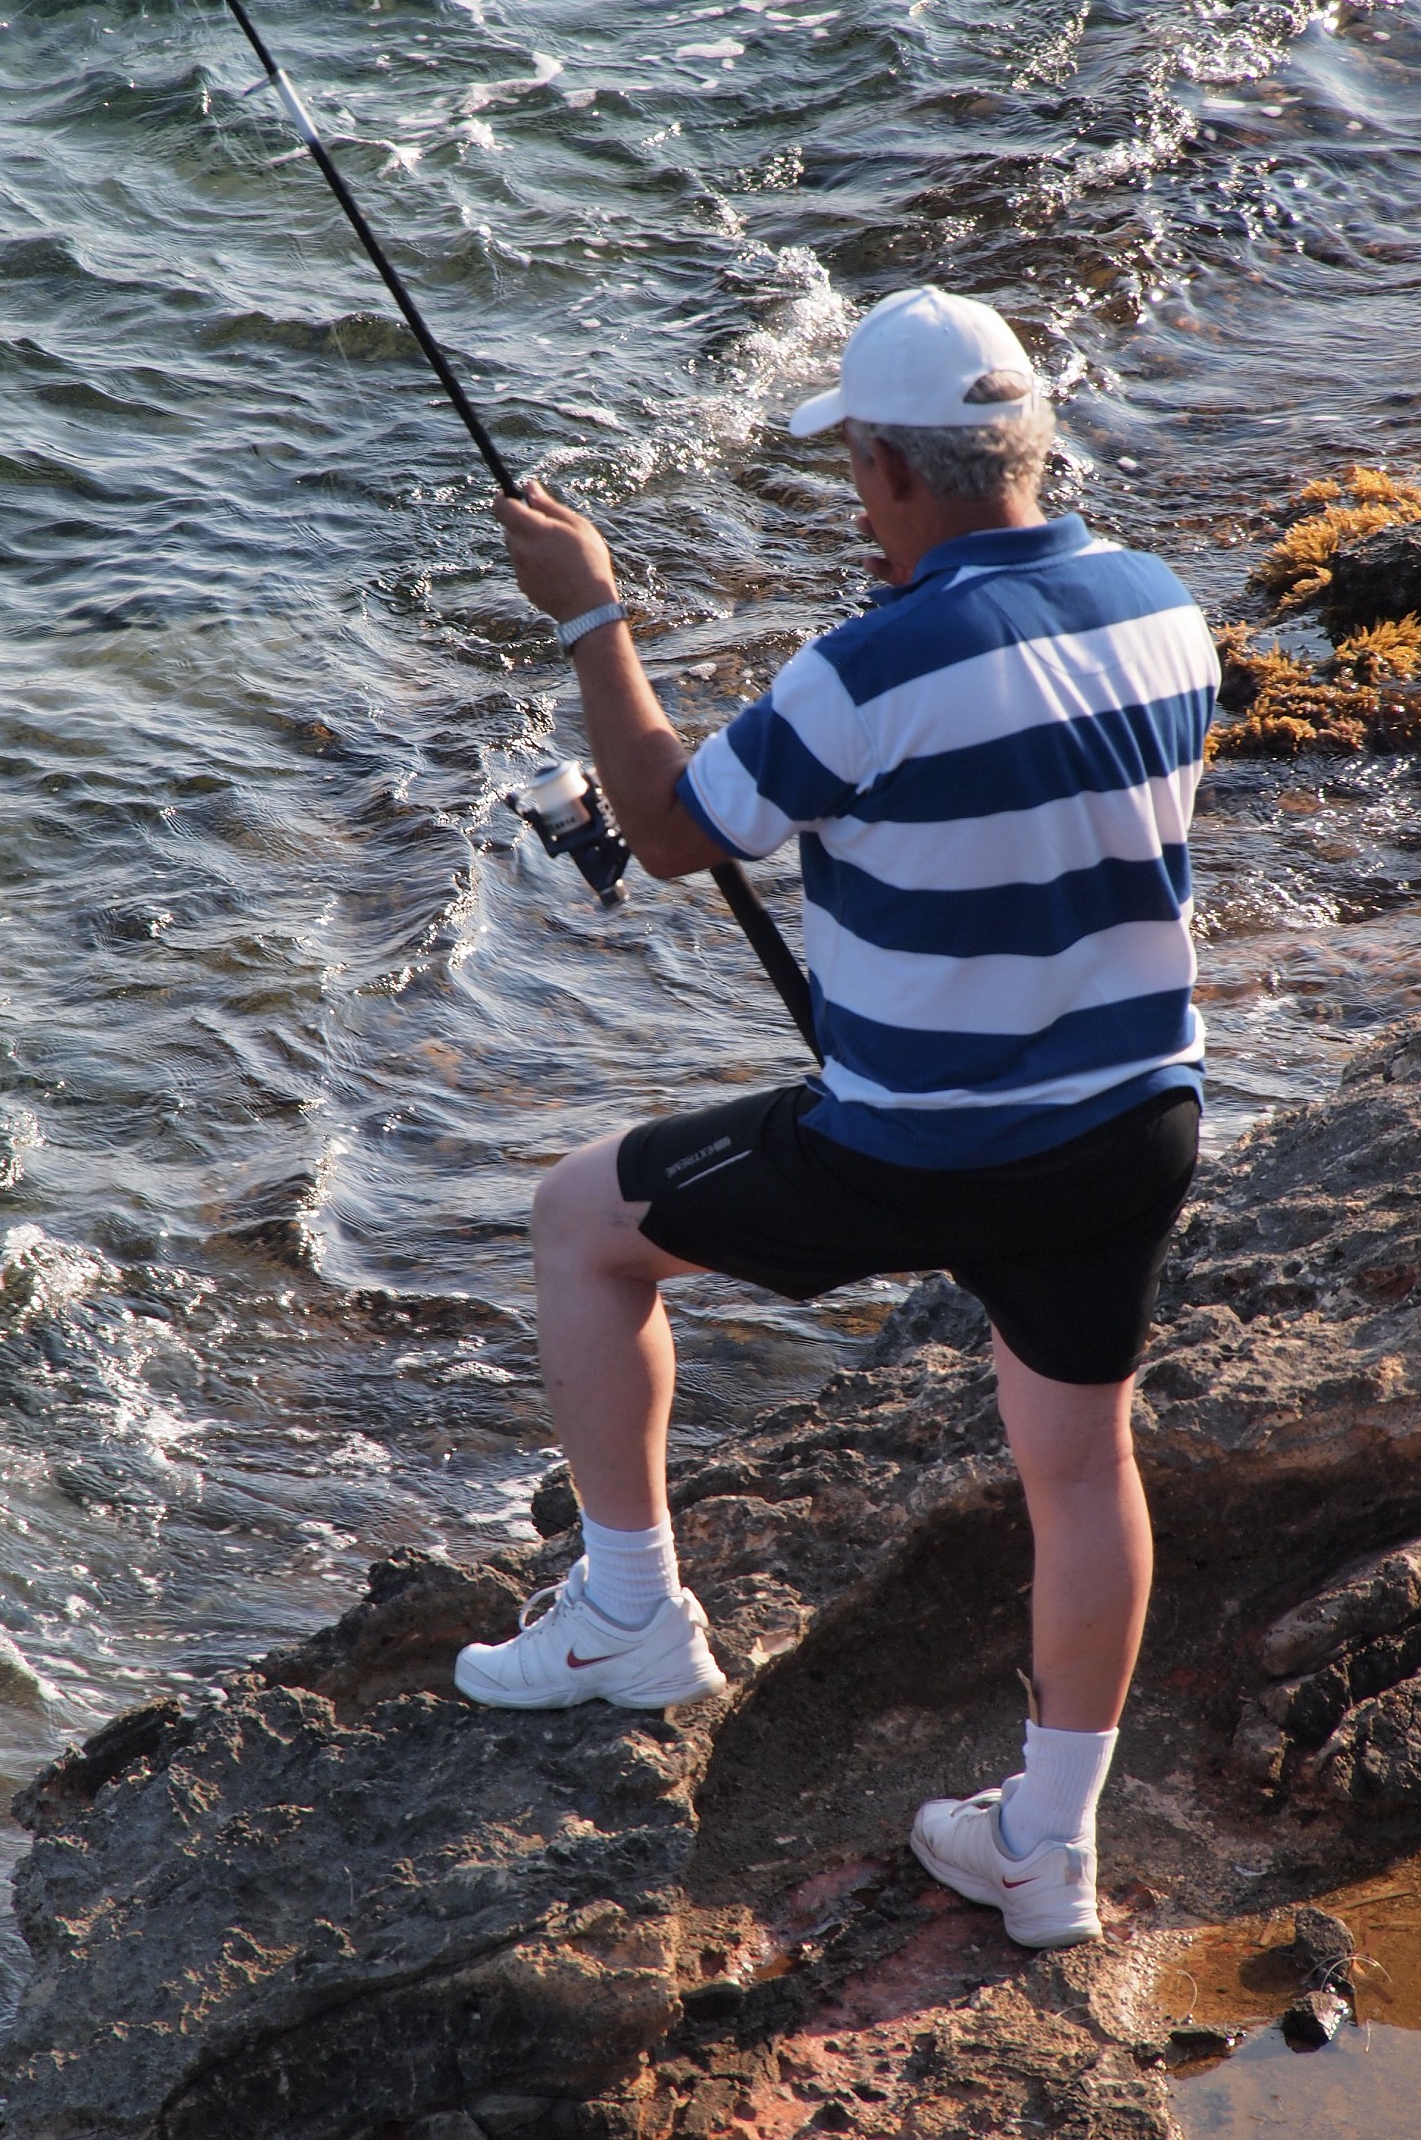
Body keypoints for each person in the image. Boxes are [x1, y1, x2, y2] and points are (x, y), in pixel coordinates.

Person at [455, 285, 1220, 1951]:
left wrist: (593, 618)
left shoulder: (866, 670)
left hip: (921, 1143)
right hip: (1131, 1124)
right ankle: (1045, 1848)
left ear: (889, 467)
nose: (850, 505)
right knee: (1082, 1467)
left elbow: (666, 828)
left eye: (855, 475)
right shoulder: (1167, 609)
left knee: (583, 1225)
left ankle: (631, 1617)